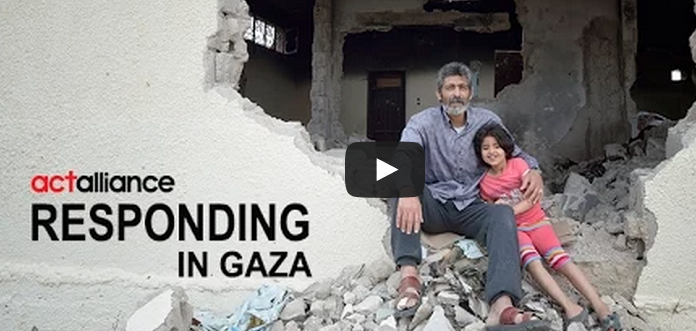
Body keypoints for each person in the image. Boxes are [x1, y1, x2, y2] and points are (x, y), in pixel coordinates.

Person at [389, 62, 548, 331]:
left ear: (470, 93)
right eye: (450, 87)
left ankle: (501, 306)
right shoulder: (422, 123)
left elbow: (516, 153)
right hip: (434, 205)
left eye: (462, 87)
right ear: (439, 94)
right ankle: (409, 276)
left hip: (473, 206)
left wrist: (534, 170)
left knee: (502, 213)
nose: (457, 93)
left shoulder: (488, 121)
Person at [474, 123, 622, 331]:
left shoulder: (518, 165)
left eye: (496, 146)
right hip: (515, 230)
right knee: (533, 264)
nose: (491, 151)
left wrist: (507, 212)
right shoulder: (485, 182)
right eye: (485, 148)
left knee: (560, 259)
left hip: (537, 222)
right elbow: (491, 211)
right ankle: (570, 307)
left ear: (505, 148)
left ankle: (600, 306)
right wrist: (503, 215)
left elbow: (532, 198)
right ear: (479, 153)